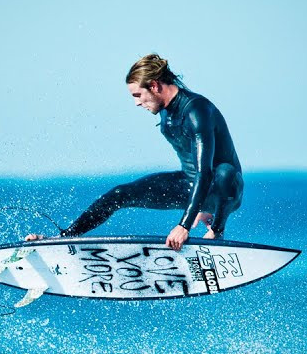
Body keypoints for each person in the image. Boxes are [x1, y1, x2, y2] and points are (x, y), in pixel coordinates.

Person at [25, 54, 244, 251]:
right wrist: (199, 206)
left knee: (224, 172)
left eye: (138, 95)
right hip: (192, 186)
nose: (137, 103)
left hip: (222, 189)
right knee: (120, 194)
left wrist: (184, 225)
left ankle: (217, 231)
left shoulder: (197, 111)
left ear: (155, 85)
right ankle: (64, 238)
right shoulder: (166, 109)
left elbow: (205, 172)